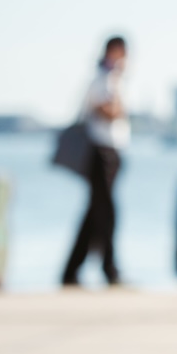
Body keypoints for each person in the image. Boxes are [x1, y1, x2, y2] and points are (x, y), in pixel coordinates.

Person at [62, 36, 130, 287]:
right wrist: (118, 107)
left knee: (94, 214)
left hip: (111, 151)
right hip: (100, 152)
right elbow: (109, 112)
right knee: (107, 213)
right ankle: (110, 269)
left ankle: (71, 271)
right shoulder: (103, 79)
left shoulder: (114, 79)